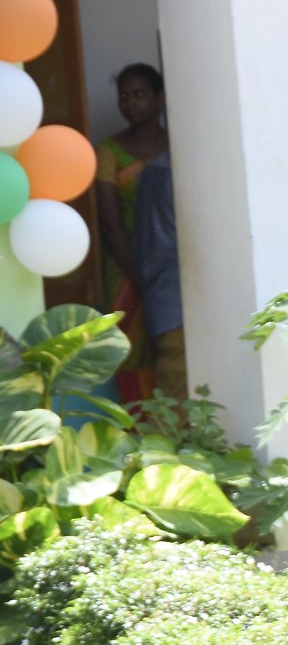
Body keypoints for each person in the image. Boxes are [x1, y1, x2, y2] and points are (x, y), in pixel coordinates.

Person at [93, 63, 169, 400]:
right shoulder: (108, 152)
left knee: (174, 348)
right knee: (130, 351)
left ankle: (177, 430)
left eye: (139, 94)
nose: (129, 103)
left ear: (159, 98)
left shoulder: (178, 145)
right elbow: (109, 225)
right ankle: (138, 434)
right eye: (124, 95)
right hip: (126, 271)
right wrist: (140, 276)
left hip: (171, 267)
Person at [128, 151, 184, 400]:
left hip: (161, 296)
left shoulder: (152, 170)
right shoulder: (179, 173)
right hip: (178, 299)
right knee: (176, 403)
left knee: (175, 398)